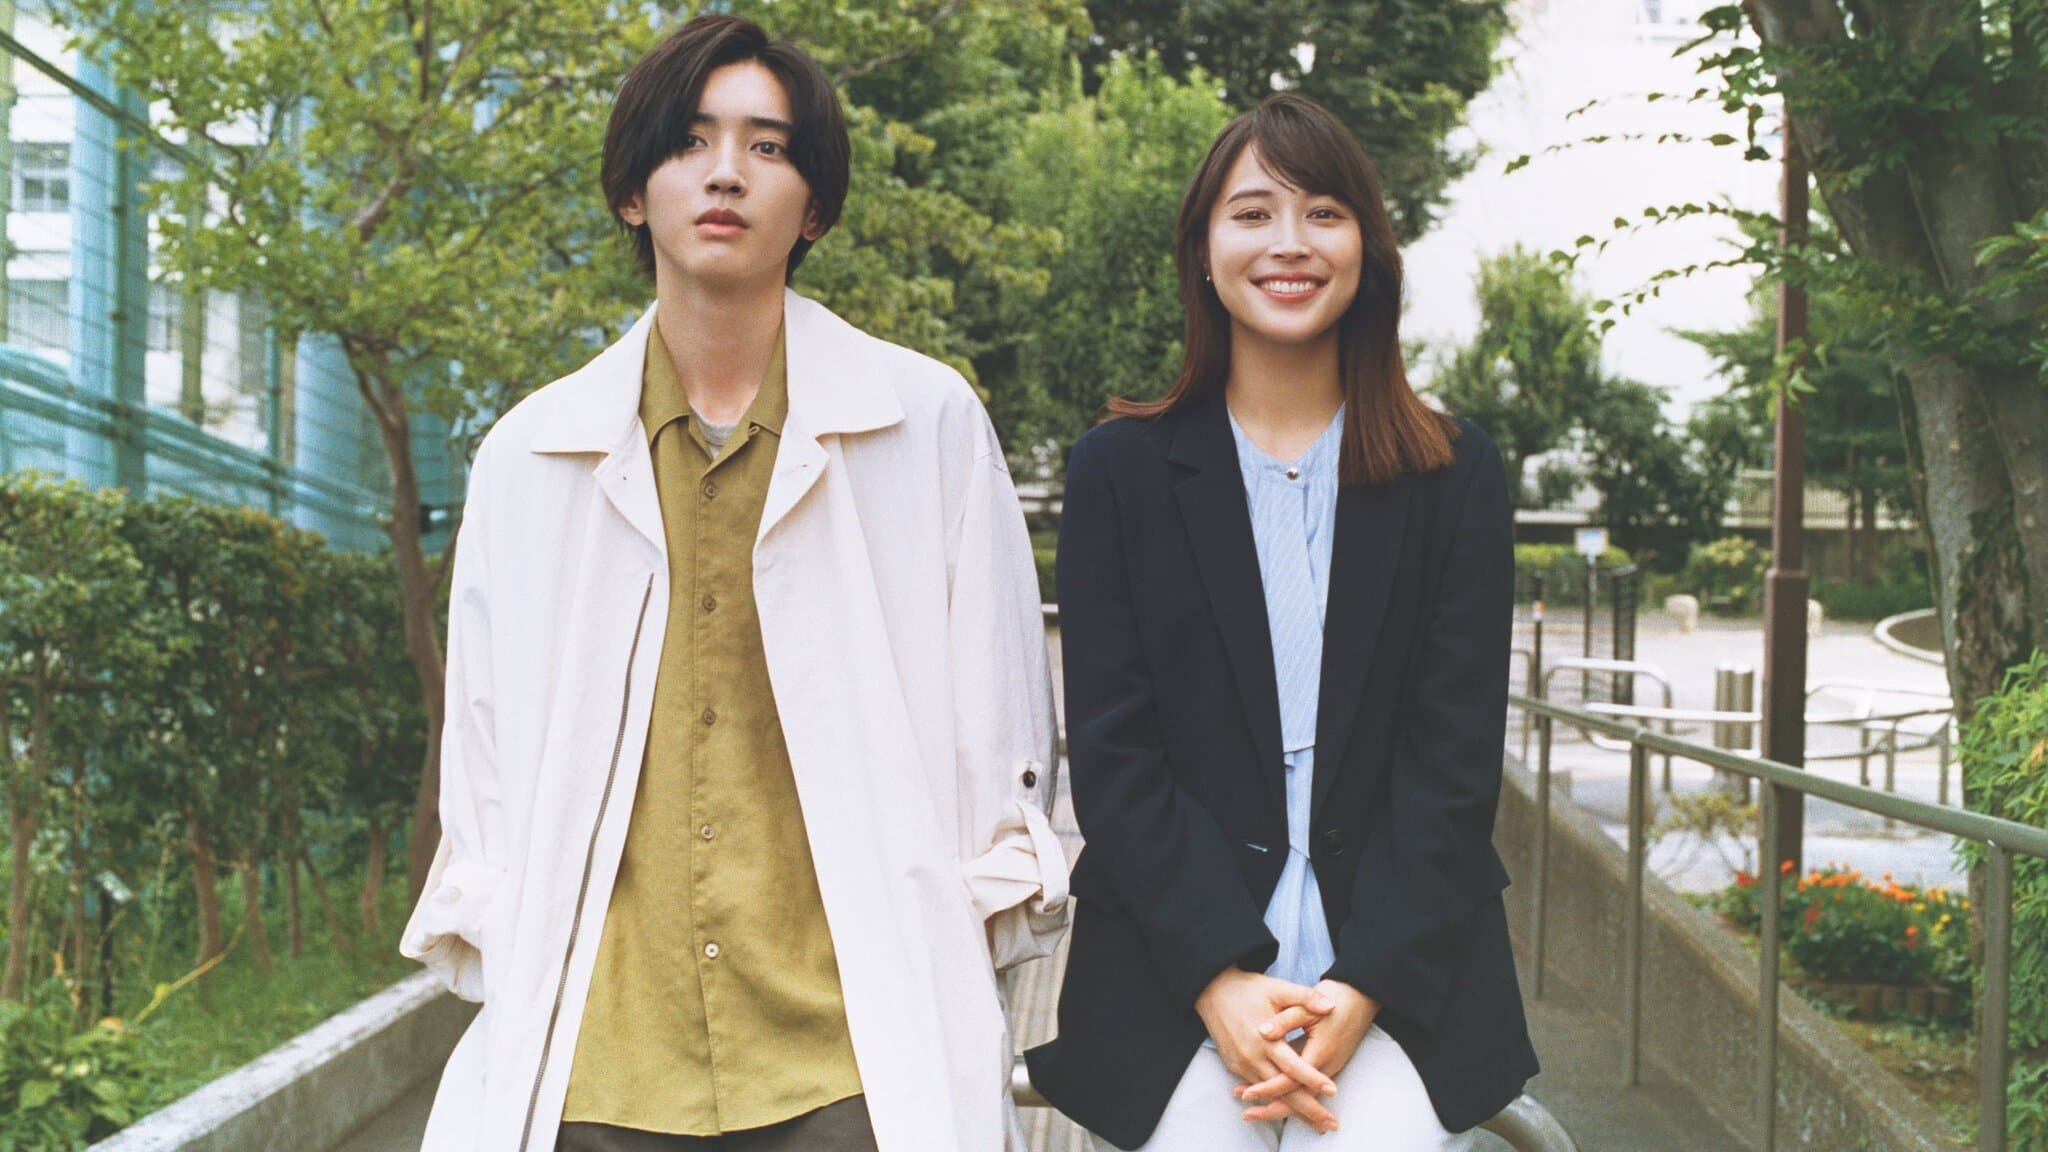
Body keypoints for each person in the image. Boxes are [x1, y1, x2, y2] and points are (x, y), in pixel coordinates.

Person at [400, 15, 1068, 1152]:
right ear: (631, 191)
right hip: (595, 1063)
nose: (725, 173)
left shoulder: (928, 425)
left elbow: (1001, 733)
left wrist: (961, 947)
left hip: (852, 1060)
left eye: (768, 146)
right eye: (690, 140)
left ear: (814, 208)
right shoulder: (530, 455)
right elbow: (487, 761)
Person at [1024, 93, 1538, 1151]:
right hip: (1175, 964)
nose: (1289, 244)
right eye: (1253, 214)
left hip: (1399, 968)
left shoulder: (1452, 473)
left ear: (1368, 251)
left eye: (1324, 213)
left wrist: (1364, 982)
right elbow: (1116, 758)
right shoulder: (1119, 470)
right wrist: (1219, 977)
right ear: (1203, 254)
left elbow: (1451, 767)